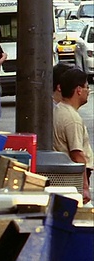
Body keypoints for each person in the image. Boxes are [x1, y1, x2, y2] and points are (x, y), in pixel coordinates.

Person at [53, 68, 92, 204]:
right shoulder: (72, 119)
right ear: (78, 90)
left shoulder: (59, 110)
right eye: (87, 87)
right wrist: (85, 187)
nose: (89, 91)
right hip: (73, 180)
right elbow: (77, 155)